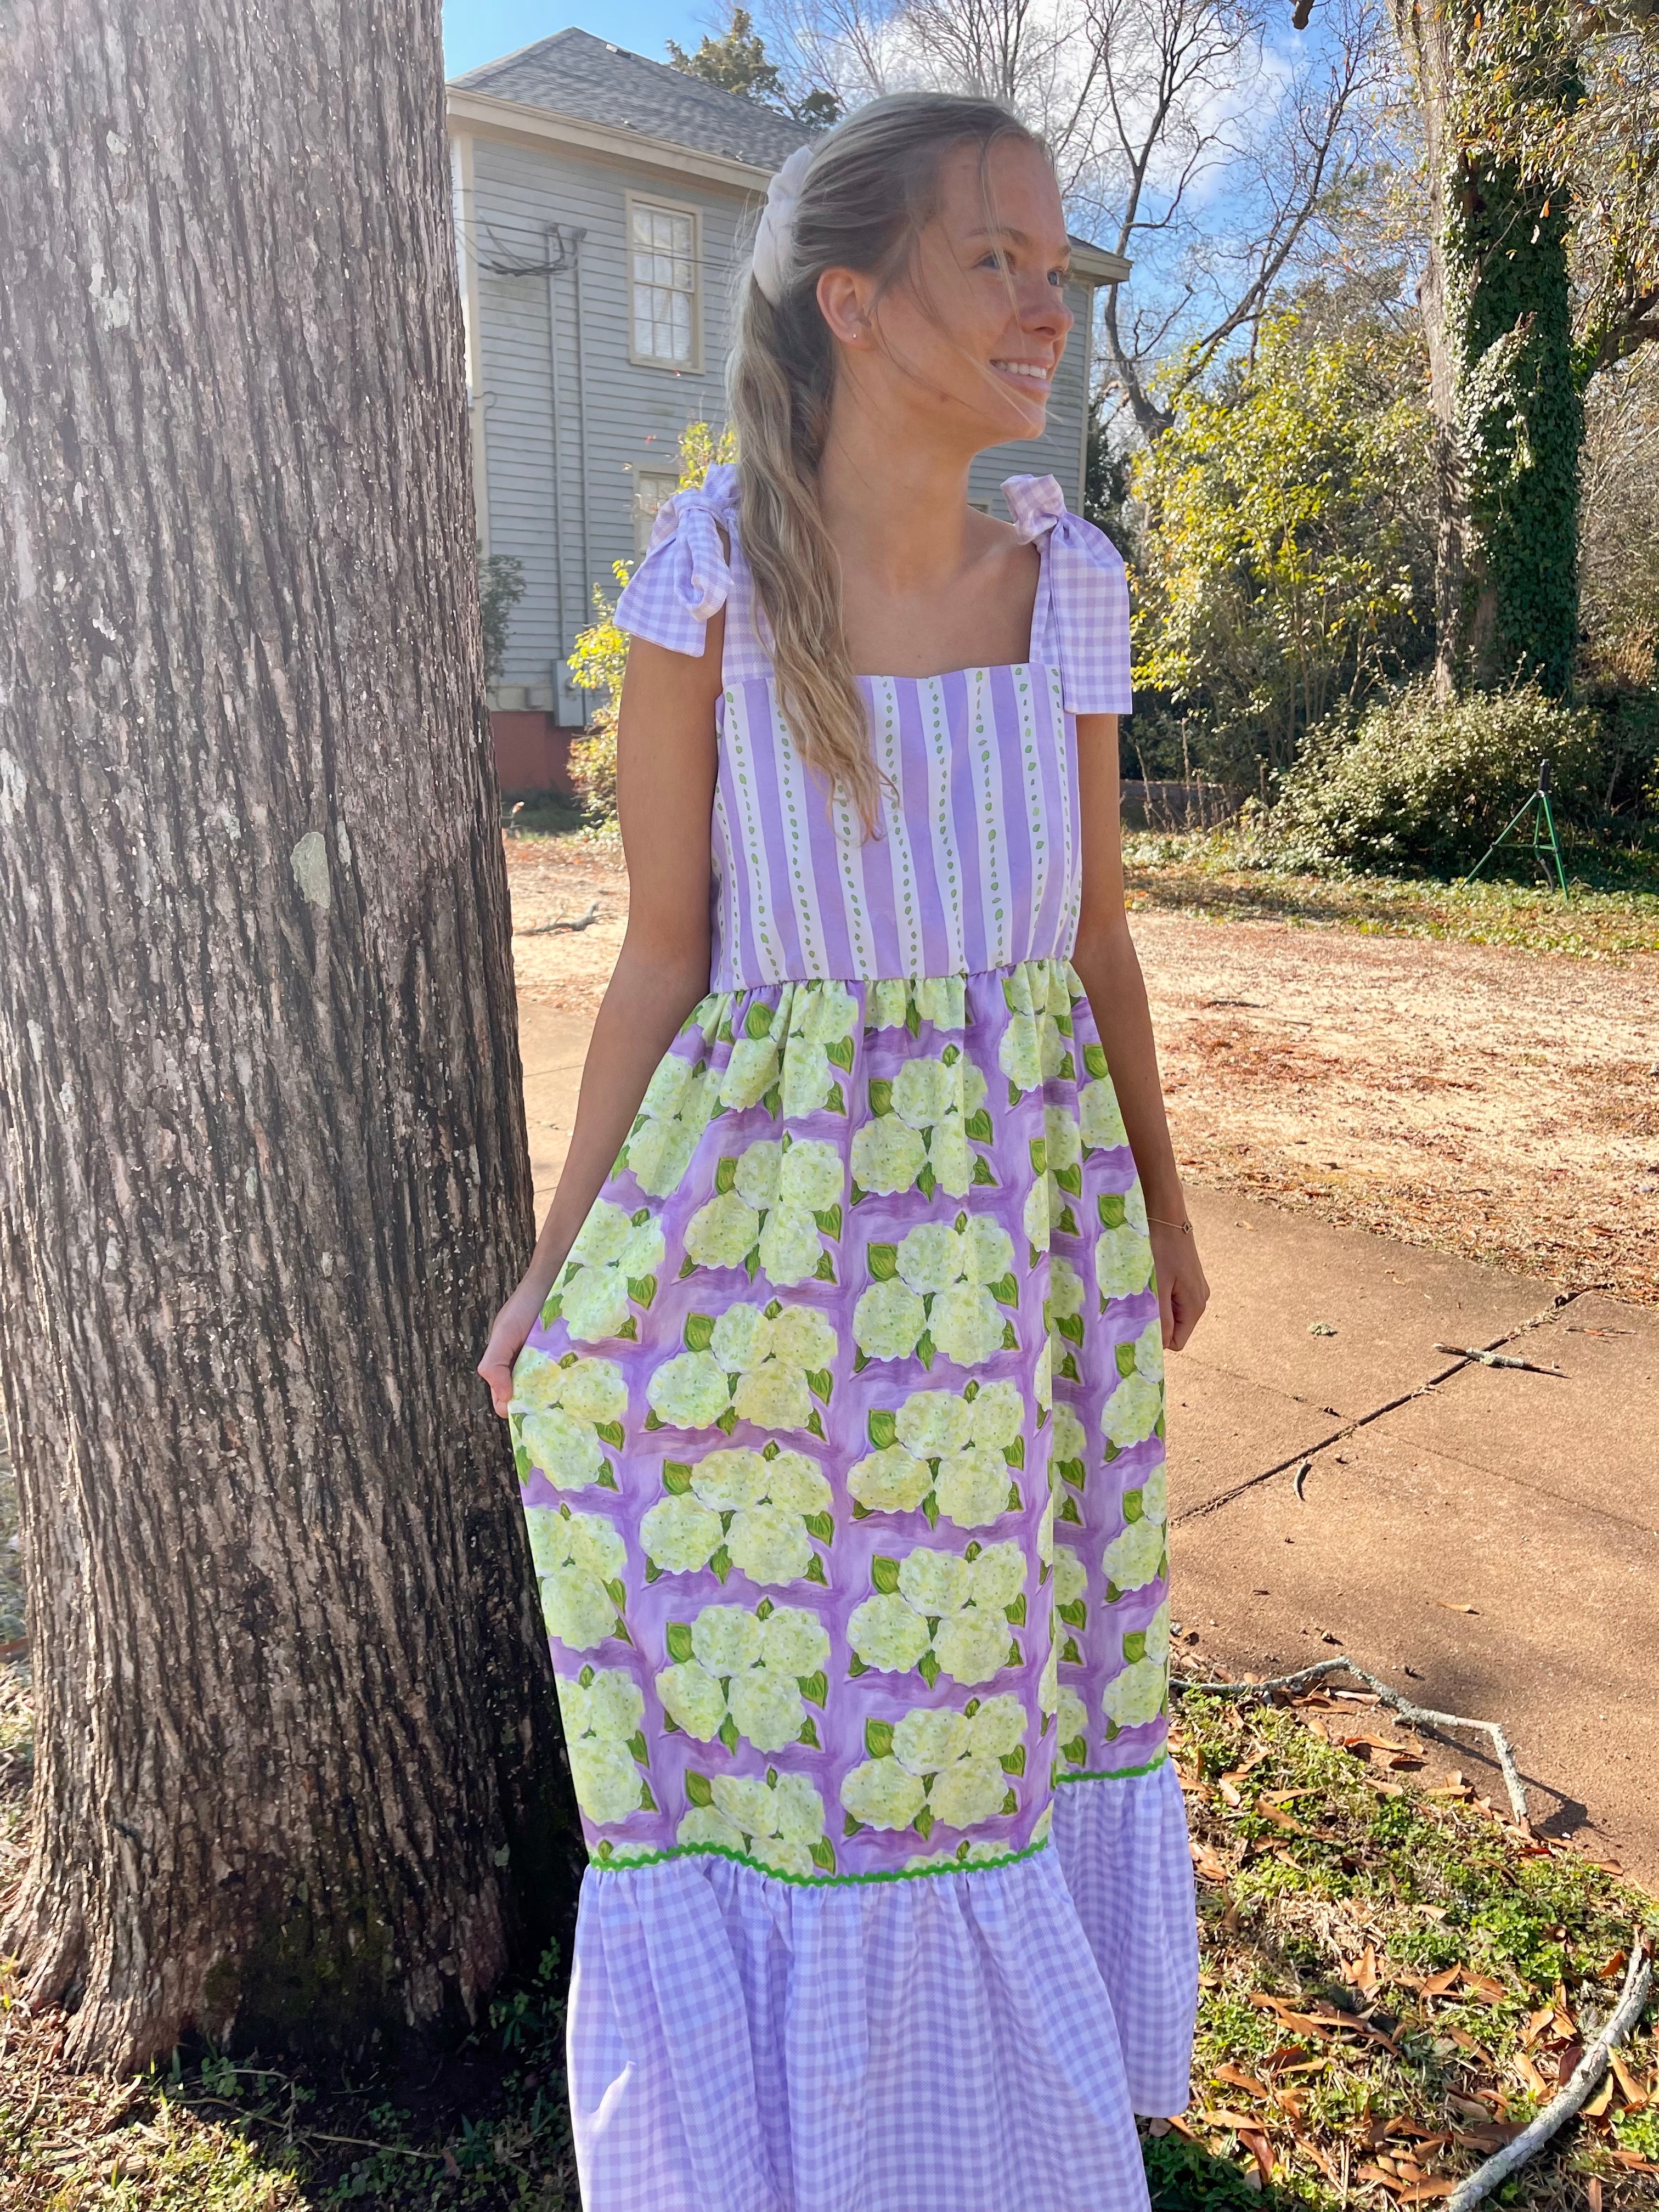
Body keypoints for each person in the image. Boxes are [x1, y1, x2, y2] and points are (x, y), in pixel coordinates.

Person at [479, 88, 1210, 2212]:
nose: (1047, 309)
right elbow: (664, 960)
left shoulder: (1065, 584)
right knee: (811, 1699)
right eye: (1005, 261)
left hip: (1015, 1243)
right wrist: (560, 1263)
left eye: (1059, 270)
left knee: (984, 1695)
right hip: (785, 1249)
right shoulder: (708, 583)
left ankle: (998, 2147)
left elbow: (1094, 938)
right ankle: (805, 2136)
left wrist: (1161, 1204)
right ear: (855, 299)